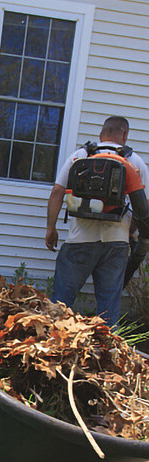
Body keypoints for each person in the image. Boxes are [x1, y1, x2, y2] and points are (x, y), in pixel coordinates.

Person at [45, 116, 149, 327]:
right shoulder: (135, 162)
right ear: (125, 136)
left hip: (79, 240)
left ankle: (50, 346)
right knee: (109, 308)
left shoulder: (81, 155)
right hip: (116, 242)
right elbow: (144, 208)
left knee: (60, 304)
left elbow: (57, 191)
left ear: (102, 134)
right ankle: (107, 354)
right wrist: (129, 232)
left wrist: (51, 228)